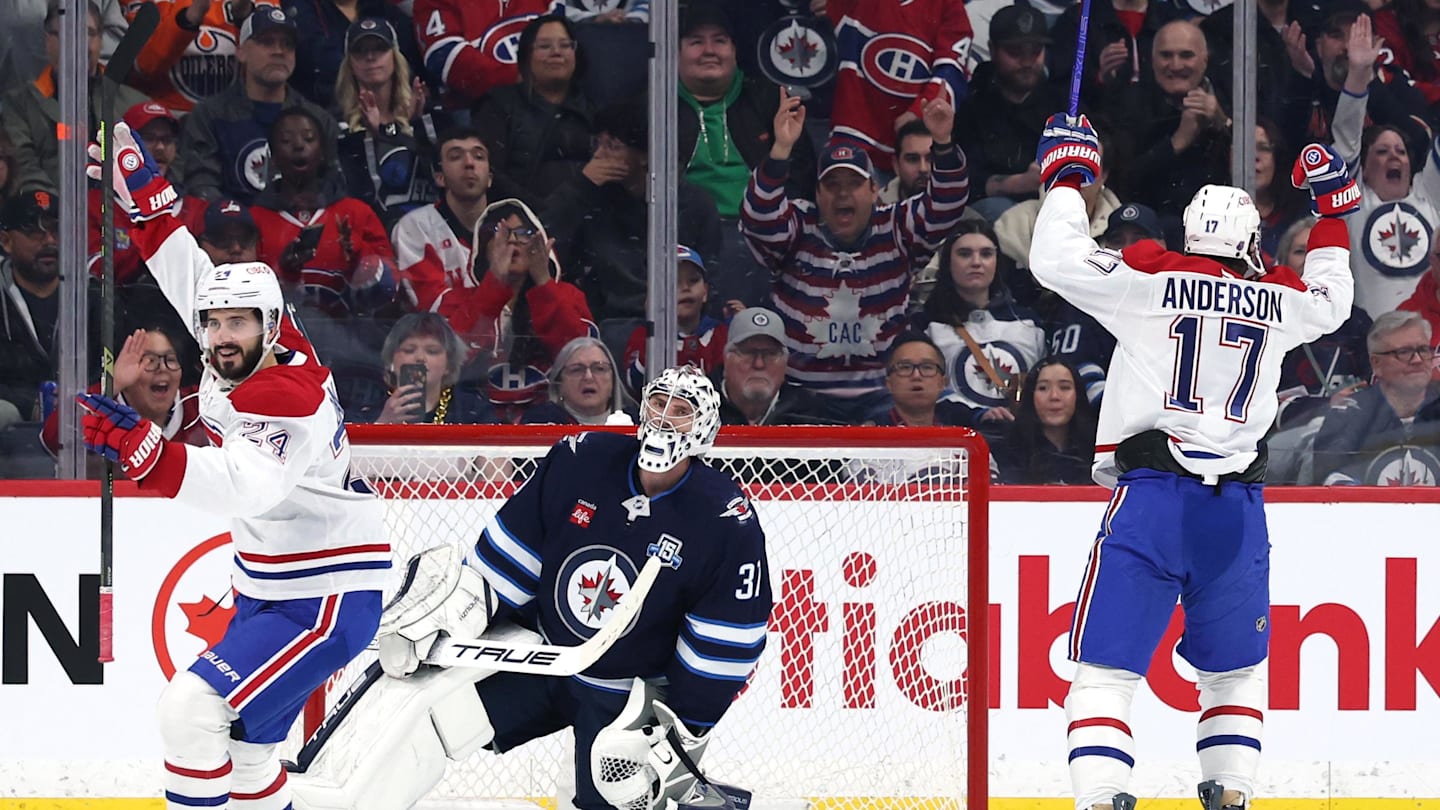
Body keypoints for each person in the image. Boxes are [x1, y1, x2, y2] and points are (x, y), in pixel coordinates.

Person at [1029, 114, 1358, 810]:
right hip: (1236, 512)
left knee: (1105, 675)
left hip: (1153, 500)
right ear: (1250, 241)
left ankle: (1104, 800)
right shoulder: (1279, 296)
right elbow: (1332, 304)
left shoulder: (1148, 277)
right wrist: (1331, 218)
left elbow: (1055, 260)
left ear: (1190, 235)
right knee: (1235, 674)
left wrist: (1067, 177)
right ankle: (1231, 797)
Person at [287, 365, 770, 810]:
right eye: (658, 403)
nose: (665, 419)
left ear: (704, 429)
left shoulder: (724, 518)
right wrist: (460, 615)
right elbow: (507, 562)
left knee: (615, 790)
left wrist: (684, 723)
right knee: (439, 718)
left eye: (681, 412)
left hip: (623, 691)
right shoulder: (582, 461)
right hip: (545, 657)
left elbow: (724, 642)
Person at [81, 121, 387, 810]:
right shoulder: (254, 336)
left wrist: (145, 454)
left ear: (270, 326)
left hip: (322, 597)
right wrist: (151, 202)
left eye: (235, 325)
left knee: (189, 713)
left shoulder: (286, 396)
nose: (218, 336)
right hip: (273, 587)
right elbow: (195, 279)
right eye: (213, 325)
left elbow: (247, 486)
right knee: (248, 755)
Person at [740, 88, 969, 424]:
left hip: (882, 397)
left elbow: (947, 204)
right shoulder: (799, 227)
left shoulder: (895, 227)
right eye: (832, 185)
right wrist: (780, 150)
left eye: (854, 183)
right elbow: (758, 218)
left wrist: (944, 142)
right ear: (817, 194)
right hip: (803, 397)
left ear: (874, 190)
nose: (843, 193)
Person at [1329, 13, 1440, 317]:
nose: (1394, 157)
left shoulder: (1428, 196)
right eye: (1381, 152)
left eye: (1400, 151)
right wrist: (1358, 74)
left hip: (1430, 346)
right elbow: (1347, 139)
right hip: (1372, 344)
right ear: (1363, 167)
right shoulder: (1353, 204)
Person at [173, 6, 343, 203]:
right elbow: (201, 185)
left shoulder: (317, 119)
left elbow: (334, 185)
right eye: (267, 42)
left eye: (287, 44)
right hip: (232, 229)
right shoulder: (209, 115)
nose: (279, 51)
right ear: (241, 52)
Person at [2, 0, 150, 193]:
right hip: (48, 216)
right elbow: (24, 167)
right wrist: (47, 204)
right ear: (48, 40)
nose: (79, 42)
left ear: (101, 40)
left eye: (89, 33)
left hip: (118, 216)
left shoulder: (134, 104)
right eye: (66, 32)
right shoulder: (19, 105)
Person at [915, 221, 1046, 415]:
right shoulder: (926, 325)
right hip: (956, 439)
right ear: (948, 262)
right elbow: (922, 392)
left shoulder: (1029, 323)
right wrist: (974, 416)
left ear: (997, 261)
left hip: (1021, 439)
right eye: (964, 254)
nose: (976, 262)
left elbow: (1045, 385)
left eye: (986, 254)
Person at [470, 13, 597, 209]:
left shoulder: (594, 111)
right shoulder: (498, 104)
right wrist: (540, 213)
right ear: (526, 56)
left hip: (585, 221)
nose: (556, 52)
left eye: (565, 45)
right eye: (545, 46)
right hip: (516, 221)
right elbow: (490, 173)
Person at [1311, 311, 1440, 486]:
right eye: (1404, 352)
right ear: (1376, 363)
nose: (1417, 360)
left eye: (1423, 350)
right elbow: (1330, 480)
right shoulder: (1350, 412)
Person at [333, 17, 437, 229]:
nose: (370, 57)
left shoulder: (426, 113)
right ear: (350, 64)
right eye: (360, 50)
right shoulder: (337, 123)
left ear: (395, 57)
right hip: (375, 231)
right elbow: (354, 192)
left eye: (379, 48)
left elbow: (443, 178)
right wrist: (372, 137)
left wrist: (417, 125)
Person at [41, 324, 205, 456]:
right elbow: (53, 437)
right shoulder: (101, 403)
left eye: (170, 359)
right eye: (149, 360)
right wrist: (113, 384)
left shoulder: (199, 403)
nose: (162, 368)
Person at [622, 245, 727, 397]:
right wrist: (655, 329)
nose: (685, 288)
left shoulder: (720, 334)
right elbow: (635, 385)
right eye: (674, 282)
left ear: (705, 292)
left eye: (693, 280)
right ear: (655, 294)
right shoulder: (644, 336)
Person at [364, 312, 497, 425]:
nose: (420, 358)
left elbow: (498, 451)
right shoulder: (368, 404)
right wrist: (382, 422)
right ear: (391, 360)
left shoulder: (472, 410)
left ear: (448, 365)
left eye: (432, 351)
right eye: (409, 350)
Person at [714, 307, 832, 426]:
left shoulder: (809, 413)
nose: (759, 364)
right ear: (726, 359)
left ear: (785, 363)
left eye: (770, 354)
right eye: (748, 352)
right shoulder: (699, 407)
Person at [992, 357, 1098, 484]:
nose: (1054, 396)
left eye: (1064, 387)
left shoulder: (1098, 450)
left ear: (1078, 395)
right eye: (1043, 388)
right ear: (1031, 396)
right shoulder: (1006, 451)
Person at [871, 332, 981, 428]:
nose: (916, 376)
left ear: (943, 383)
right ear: (889, 384)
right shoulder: (870, 434)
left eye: (927, 367)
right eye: (905, 367)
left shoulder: (961, 433)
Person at [522, 336, 636, 425]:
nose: (588, 377)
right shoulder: (540, 421)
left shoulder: (638, 423)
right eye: (576, 370)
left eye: (599, 369)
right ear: (559, 384)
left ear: (613, 380)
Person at [879, 121, 933, 205]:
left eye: (931, 159)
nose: (923, 168)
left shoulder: (960, 205)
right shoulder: (875, 210)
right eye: (912, 159)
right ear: (896, 165)